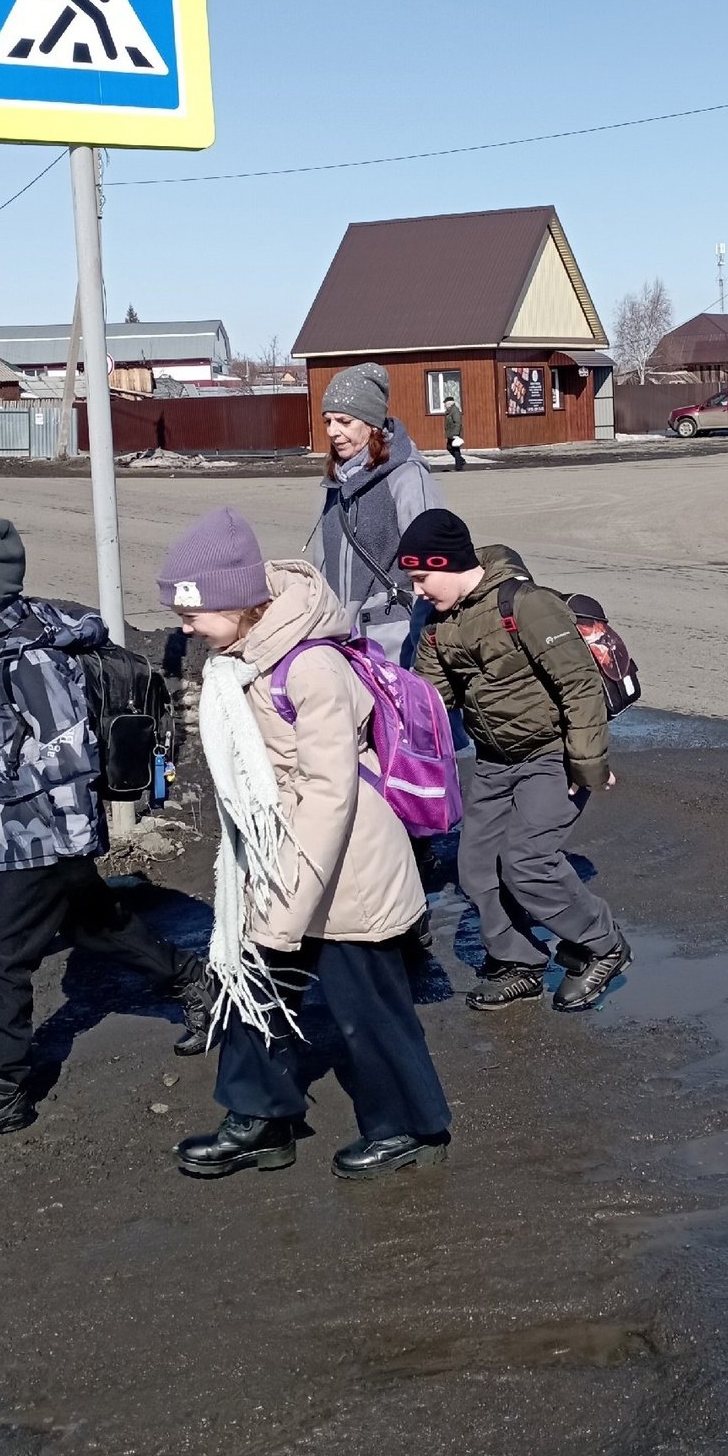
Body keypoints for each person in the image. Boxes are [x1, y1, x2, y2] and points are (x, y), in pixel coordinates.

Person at [0, 519, 209, 1150]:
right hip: (41, 831)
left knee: (1, 956)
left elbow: (69, 757)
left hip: (47, 833)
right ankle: (193, 980)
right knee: (98, 926)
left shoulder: (31, 661)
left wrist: (67, 845)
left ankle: (4, 1090)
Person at [157, 509, 451, 1181]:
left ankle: (410, 1127)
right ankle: (261, 1121)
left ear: (236, 602)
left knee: (368, 1013)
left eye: (192, 611)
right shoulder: (244, 661)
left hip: (347, 870)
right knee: (252, 991)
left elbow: (328, 795)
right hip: (284, 861)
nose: (183, 627)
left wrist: (287, 906)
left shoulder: (311, 664)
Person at [405, 507, 630, 1014]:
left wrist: (587, 763)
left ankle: (602, 944)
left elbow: (578, 685)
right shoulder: (437, 625)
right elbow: (429, 701)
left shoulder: (525, 604)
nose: (417, 589)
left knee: (527, 861)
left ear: (450, 563)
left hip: (551, 754)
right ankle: (519, 962)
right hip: (493, 760)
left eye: (422, 577)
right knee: (477, 866)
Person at [308, 362, 441, 665]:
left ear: (371, 424)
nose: (333, 432)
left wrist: (422, 640)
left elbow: (433, 560)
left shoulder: (407, 476)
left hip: (393, 642)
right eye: (328, 421)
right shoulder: (335, 481)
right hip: (338, 638)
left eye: (344, 421)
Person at [444, 393, 467, 471]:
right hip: (451, 434)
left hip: (455, 434)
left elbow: (458, 423)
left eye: (445, 403)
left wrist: (456, 434)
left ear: (449, 403)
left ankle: (458, 466)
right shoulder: (449, 411)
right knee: (449, 448)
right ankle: (461, 461)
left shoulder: (455, 411)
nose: (445, 405)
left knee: (456, 450)